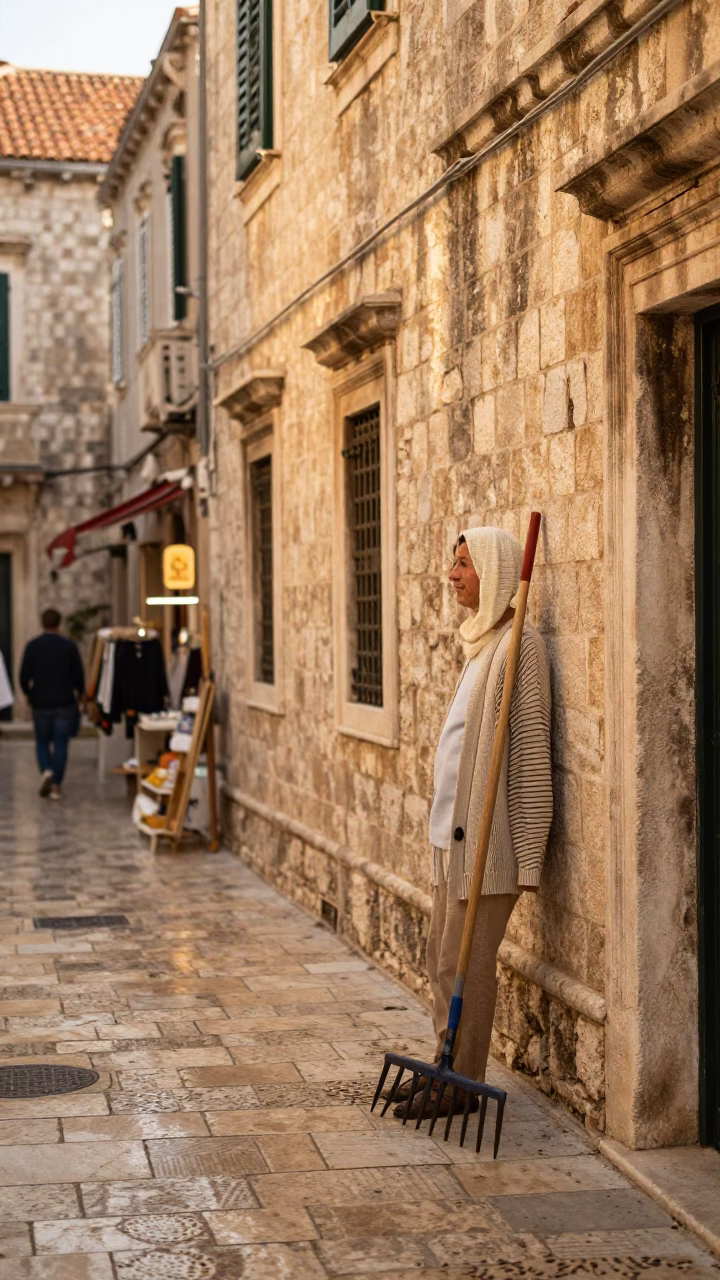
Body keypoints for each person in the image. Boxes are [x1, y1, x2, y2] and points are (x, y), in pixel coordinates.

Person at [394, 525, 553, 1119]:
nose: (451, 574)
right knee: (441, 960)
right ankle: (443, 1066)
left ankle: (461, 1084)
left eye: (463, 564)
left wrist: (530, 854)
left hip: (490, 849)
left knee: (467, 965)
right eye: (452, 563)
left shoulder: (520, 646)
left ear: (495, 573)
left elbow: (533, 753)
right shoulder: (482, 645)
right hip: (453, 844)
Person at [20, 608, 84, 801]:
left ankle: (46, 770)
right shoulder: (69, 646)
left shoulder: (33, 646)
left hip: (41, 703)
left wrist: (29, 694)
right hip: (64, 702)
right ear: (59, 623)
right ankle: (56, 784)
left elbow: (24, 676)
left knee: (41, 741)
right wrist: (79, 694)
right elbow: (78, 676)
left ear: (42, 623)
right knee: (60, 743)